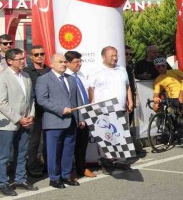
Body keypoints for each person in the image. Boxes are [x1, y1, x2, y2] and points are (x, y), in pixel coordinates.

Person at [35, 53, 84, 188]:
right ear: (52, 64)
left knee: (68, 150)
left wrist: (80, 118)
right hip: (54, 121)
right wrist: (60, 110)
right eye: (60, 62)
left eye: (65, 62)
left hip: (71, 121)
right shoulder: (44, 79)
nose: (64, 64)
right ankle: (54, 178)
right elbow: (42, 100)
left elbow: (77, 99)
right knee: (54, 152)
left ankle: (66, 175)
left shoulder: (71, 79)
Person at [0, 48, 37, 196]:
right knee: (4, 155)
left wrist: (31, 115)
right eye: (19, 59)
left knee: (22, 152)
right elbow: (1, 102)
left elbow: (30, 99)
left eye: (23, 58)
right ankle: (3, 183)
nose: (23, 61)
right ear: (9, 61)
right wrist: (18, 119)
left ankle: (20, 179)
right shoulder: (1, 78)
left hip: (26, 120)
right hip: (8, 122)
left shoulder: (26, 76)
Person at [90, 46, 134, 168]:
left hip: (121, 108)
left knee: (121, 135)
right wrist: (93, 105)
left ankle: (121, 161)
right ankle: (106, 161)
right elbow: (91, 89)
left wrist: (130, 101)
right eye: (112, 56)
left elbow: (127, 86)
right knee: (106, 136)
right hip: (104, 110)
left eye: (116, 55)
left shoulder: (122, 69)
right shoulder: (96, 71)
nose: (115, 58)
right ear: (103, 57)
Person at [65, 50, 94, 179]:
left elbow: (88, 91)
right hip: (72, 114)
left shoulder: (81, 75)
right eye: (76, 62)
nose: (79, 64)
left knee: (82, 143)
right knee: (70, 143)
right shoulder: (65, 76)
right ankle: (70, 169)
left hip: (85, 113)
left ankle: (82, 167)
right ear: (68, 63)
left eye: (80, 61)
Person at [24, 45, 51, 178]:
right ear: (31, 57)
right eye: (36, 54)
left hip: (50, 110)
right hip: (35, 111)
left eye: (42, 54)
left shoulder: (50, 70)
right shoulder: (27, 72)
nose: (39, 56)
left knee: (48, 140)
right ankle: (32, 166)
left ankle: (48, 165)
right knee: (34, 141)